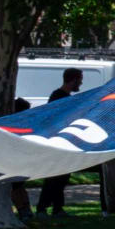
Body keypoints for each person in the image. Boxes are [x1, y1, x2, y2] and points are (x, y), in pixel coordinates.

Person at [33, 68, 86, 219]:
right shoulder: (58, 96)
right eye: (80, 79)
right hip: (58, 142)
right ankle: (42, 208)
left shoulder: (65, 96)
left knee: (62, 177)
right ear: (73, 79)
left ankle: (57, 208)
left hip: (65, 142)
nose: (81, 83)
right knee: (54, 177)